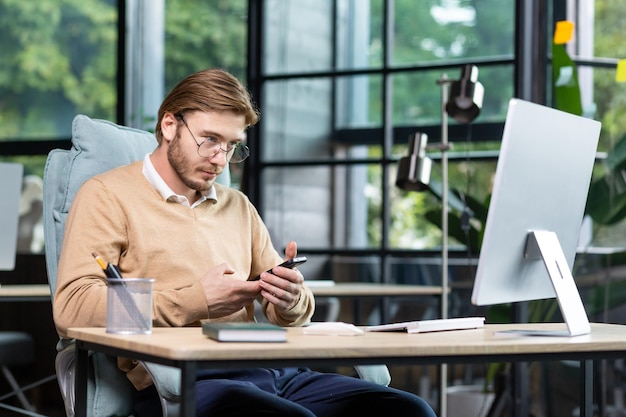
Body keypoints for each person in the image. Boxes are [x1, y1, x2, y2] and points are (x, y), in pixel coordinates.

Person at [53, 68, 436, 417]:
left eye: (232, 145)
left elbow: (290, 313)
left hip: (274, 371)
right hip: (185, 383)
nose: (220, 159)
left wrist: (289, 299)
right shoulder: (106, 195)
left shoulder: (237, 205)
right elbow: (72, 308)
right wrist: (197, 299)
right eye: (209, 140)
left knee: (409, 411)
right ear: (169, 124)